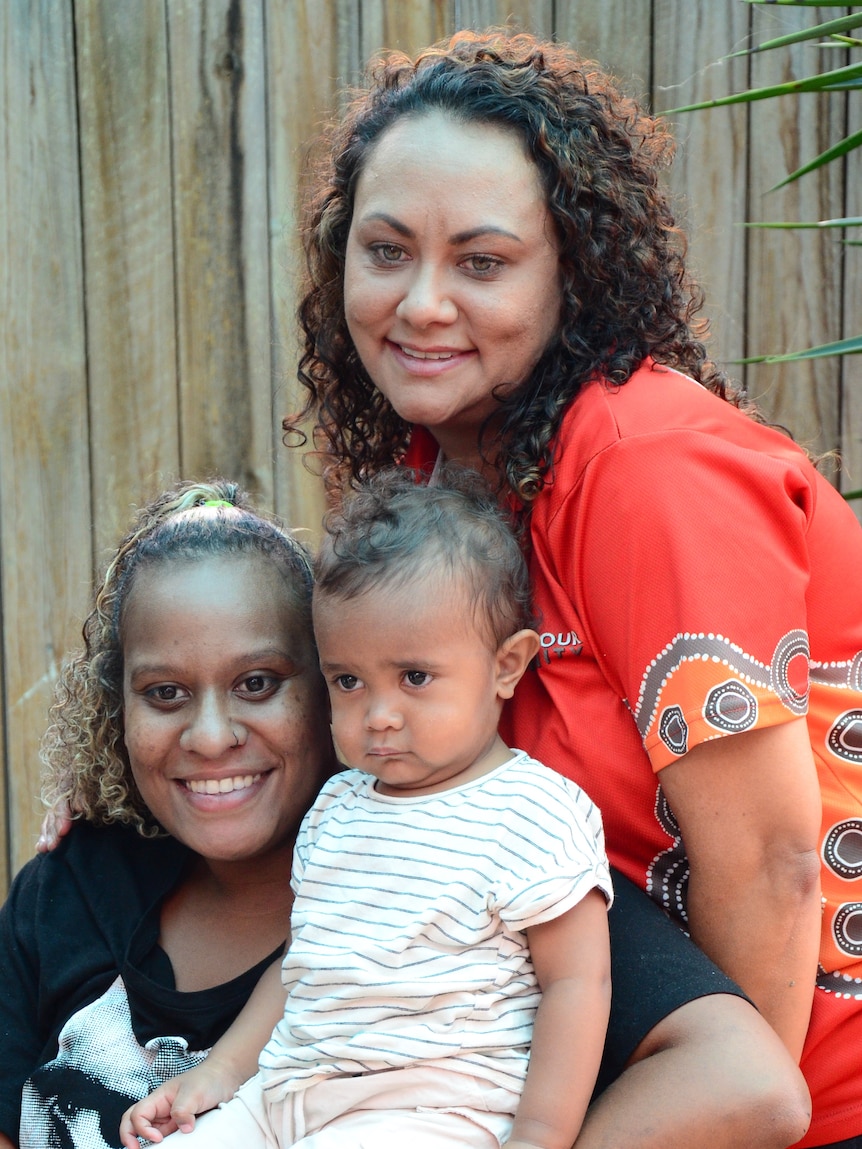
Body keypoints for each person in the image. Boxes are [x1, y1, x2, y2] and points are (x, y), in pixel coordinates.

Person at [284, 26, 862, 1149]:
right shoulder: (449, 463)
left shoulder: (644, 469)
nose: (421, 305)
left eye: (483, 263)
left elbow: (771, 864)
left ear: (572, 273)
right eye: (386, 250)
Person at [121, 468, 614, 1149]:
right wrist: (218, 1072)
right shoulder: (340, 803)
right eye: (348, 680)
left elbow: (577, 987)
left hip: (424, 1111)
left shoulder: (534, 812)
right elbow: (303, 964)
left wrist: (538, 1136)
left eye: (414, 677)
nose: (378, 715)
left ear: (507, 666)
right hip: (283, 1097)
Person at [0, 480, 336, 1149]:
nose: (211, 737)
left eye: (258, 682)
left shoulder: (422, 887)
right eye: (166, 692)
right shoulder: (67, 887)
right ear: (116, 707)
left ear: (333, 680)